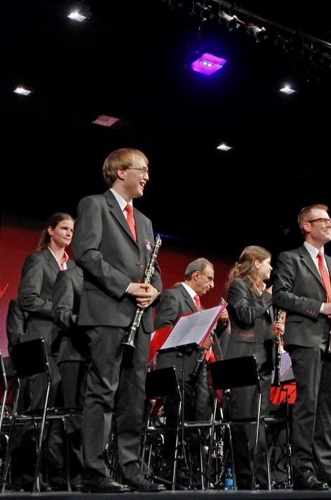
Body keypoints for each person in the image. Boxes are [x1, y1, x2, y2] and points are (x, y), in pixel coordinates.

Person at [71, 147, 165, 493]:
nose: (147, 176)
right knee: (102, 390)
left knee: (132, 394)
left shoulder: (144, 220)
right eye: (142, 169)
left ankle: (130, 468)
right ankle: (94, 470)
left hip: (139, 318)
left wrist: (154, 289)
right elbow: (86, 253)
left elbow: (151, 266)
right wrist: (126, 286)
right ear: (120, 171)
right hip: (108, 311)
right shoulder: (94, 205)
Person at [272, 204, 331, 490]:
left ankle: (326, 468)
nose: (329, 224)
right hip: (306, 338)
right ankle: (302, 470)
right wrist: (320, 307)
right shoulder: (290, 259)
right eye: (323, 220)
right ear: (306, 226)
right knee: (307, 405)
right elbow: (280, 295)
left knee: (328, 407)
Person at [11, 212, 75, 492]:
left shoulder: (72, 265)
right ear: (50, 230)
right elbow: (27, 299)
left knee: (59, 414)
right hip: (43, 342)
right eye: (64, 228)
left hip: (65, 346)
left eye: (72, 229)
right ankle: (26, 474)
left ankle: (54, 473)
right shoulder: (38, 260)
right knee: (37, 409)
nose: (69, 233)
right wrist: (62, 312)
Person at [153, 257, 226, 490]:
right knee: (178, 424)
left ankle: (195, 476)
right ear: (196, 275)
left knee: (197, 426)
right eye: (209, 278)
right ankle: (174, 474)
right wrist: (194, 341)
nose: (212, 285)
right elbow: (162, 333)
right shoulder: (172, 296)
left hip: (197, 373)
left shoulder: (199, 305)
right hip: (177, 370)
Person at [222, 246, 277, 490]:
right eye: (267, 263)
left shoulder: (260, 290)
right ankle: (245, 482)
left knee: (259, 423)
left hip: (263, 361)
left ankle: (263, 481)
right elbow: (245, 316)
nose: (271, 268)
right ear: (256, 264)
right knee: (244, 423)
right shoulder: (238, 286)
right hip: (243, 360)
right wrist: (268, 298)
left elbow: (260, 324)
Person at [50, 266, 87, 491]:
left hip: (99, 356)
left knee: (93, 418)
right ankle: (76, 475)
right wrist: (87, 322)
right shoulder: (69, 275)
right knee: (74, 418)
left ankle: (89, 471)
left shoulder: (109, 280)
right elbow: (61, 313)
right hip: (74, 353)